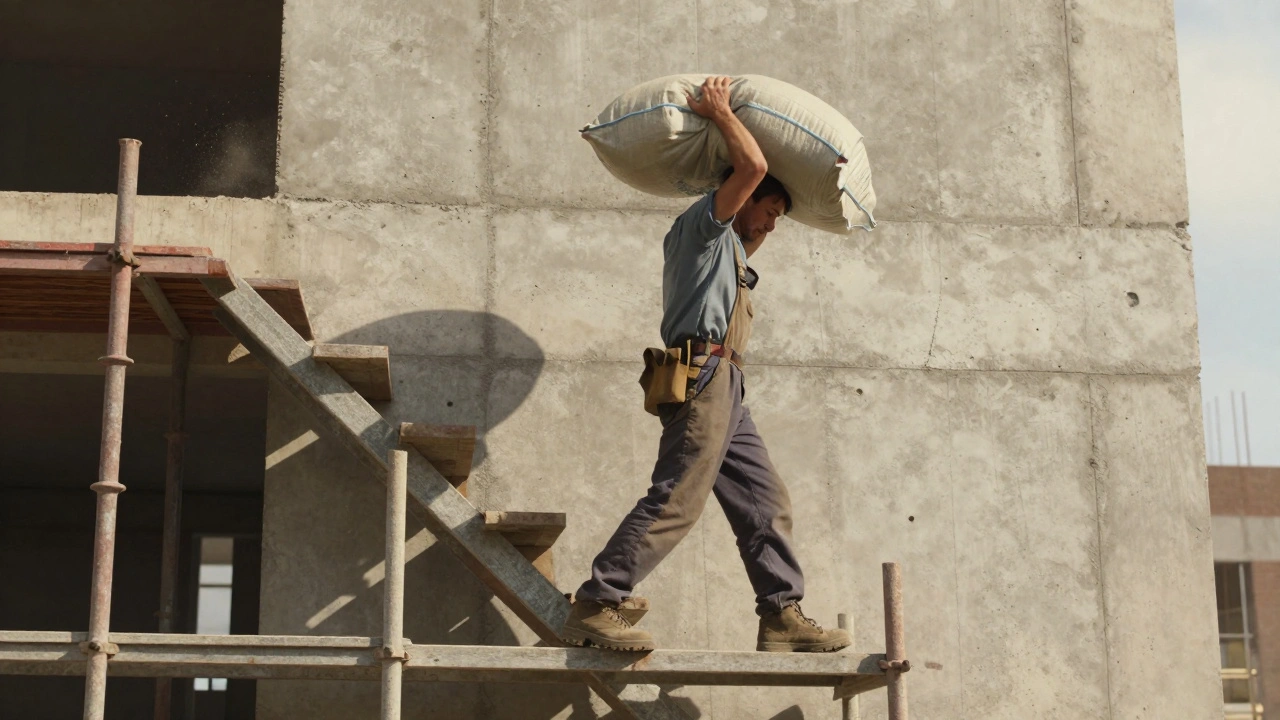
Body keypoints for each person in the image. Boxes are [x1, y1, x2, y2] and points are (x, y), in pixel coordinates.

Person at [560, 76, 852, 653]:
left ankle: (781, 615)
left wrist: (770, 200)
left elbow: (754, 208)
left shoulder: (734, 252)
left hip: (730, 386)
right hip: (704, 377)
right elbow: (749, 168)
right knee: (678, 497)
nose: (771, 225)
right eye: (768, 211)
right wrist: (721, 112)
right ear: (740, 200)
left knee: (766, 501)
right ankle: (599, 600)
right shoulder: (702, 231)